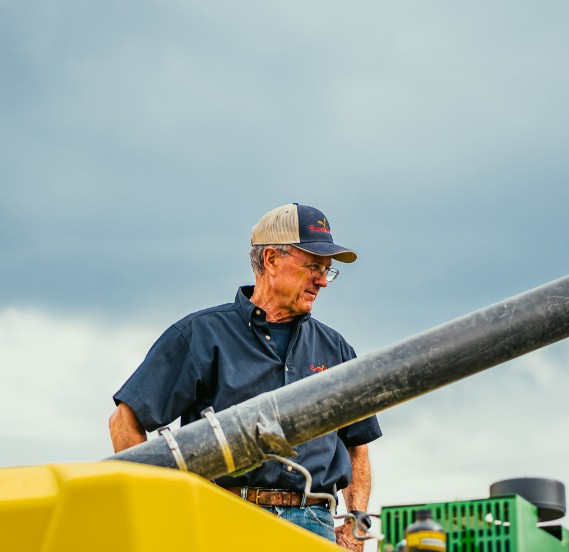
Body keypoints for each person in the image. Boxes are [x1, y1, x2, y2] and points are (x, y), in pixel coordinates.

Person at [109, 203, 382, 550]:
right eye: (314, 265)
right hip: (224, 517)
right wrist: (157, 509)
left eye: (328, 270)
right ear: (270, 260)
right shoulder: (201, 335)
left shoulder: (336, 348)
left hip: (315, 523)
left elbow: (357, 446)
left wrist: (357, 522)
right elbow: (124, 421)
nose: (322, 281)